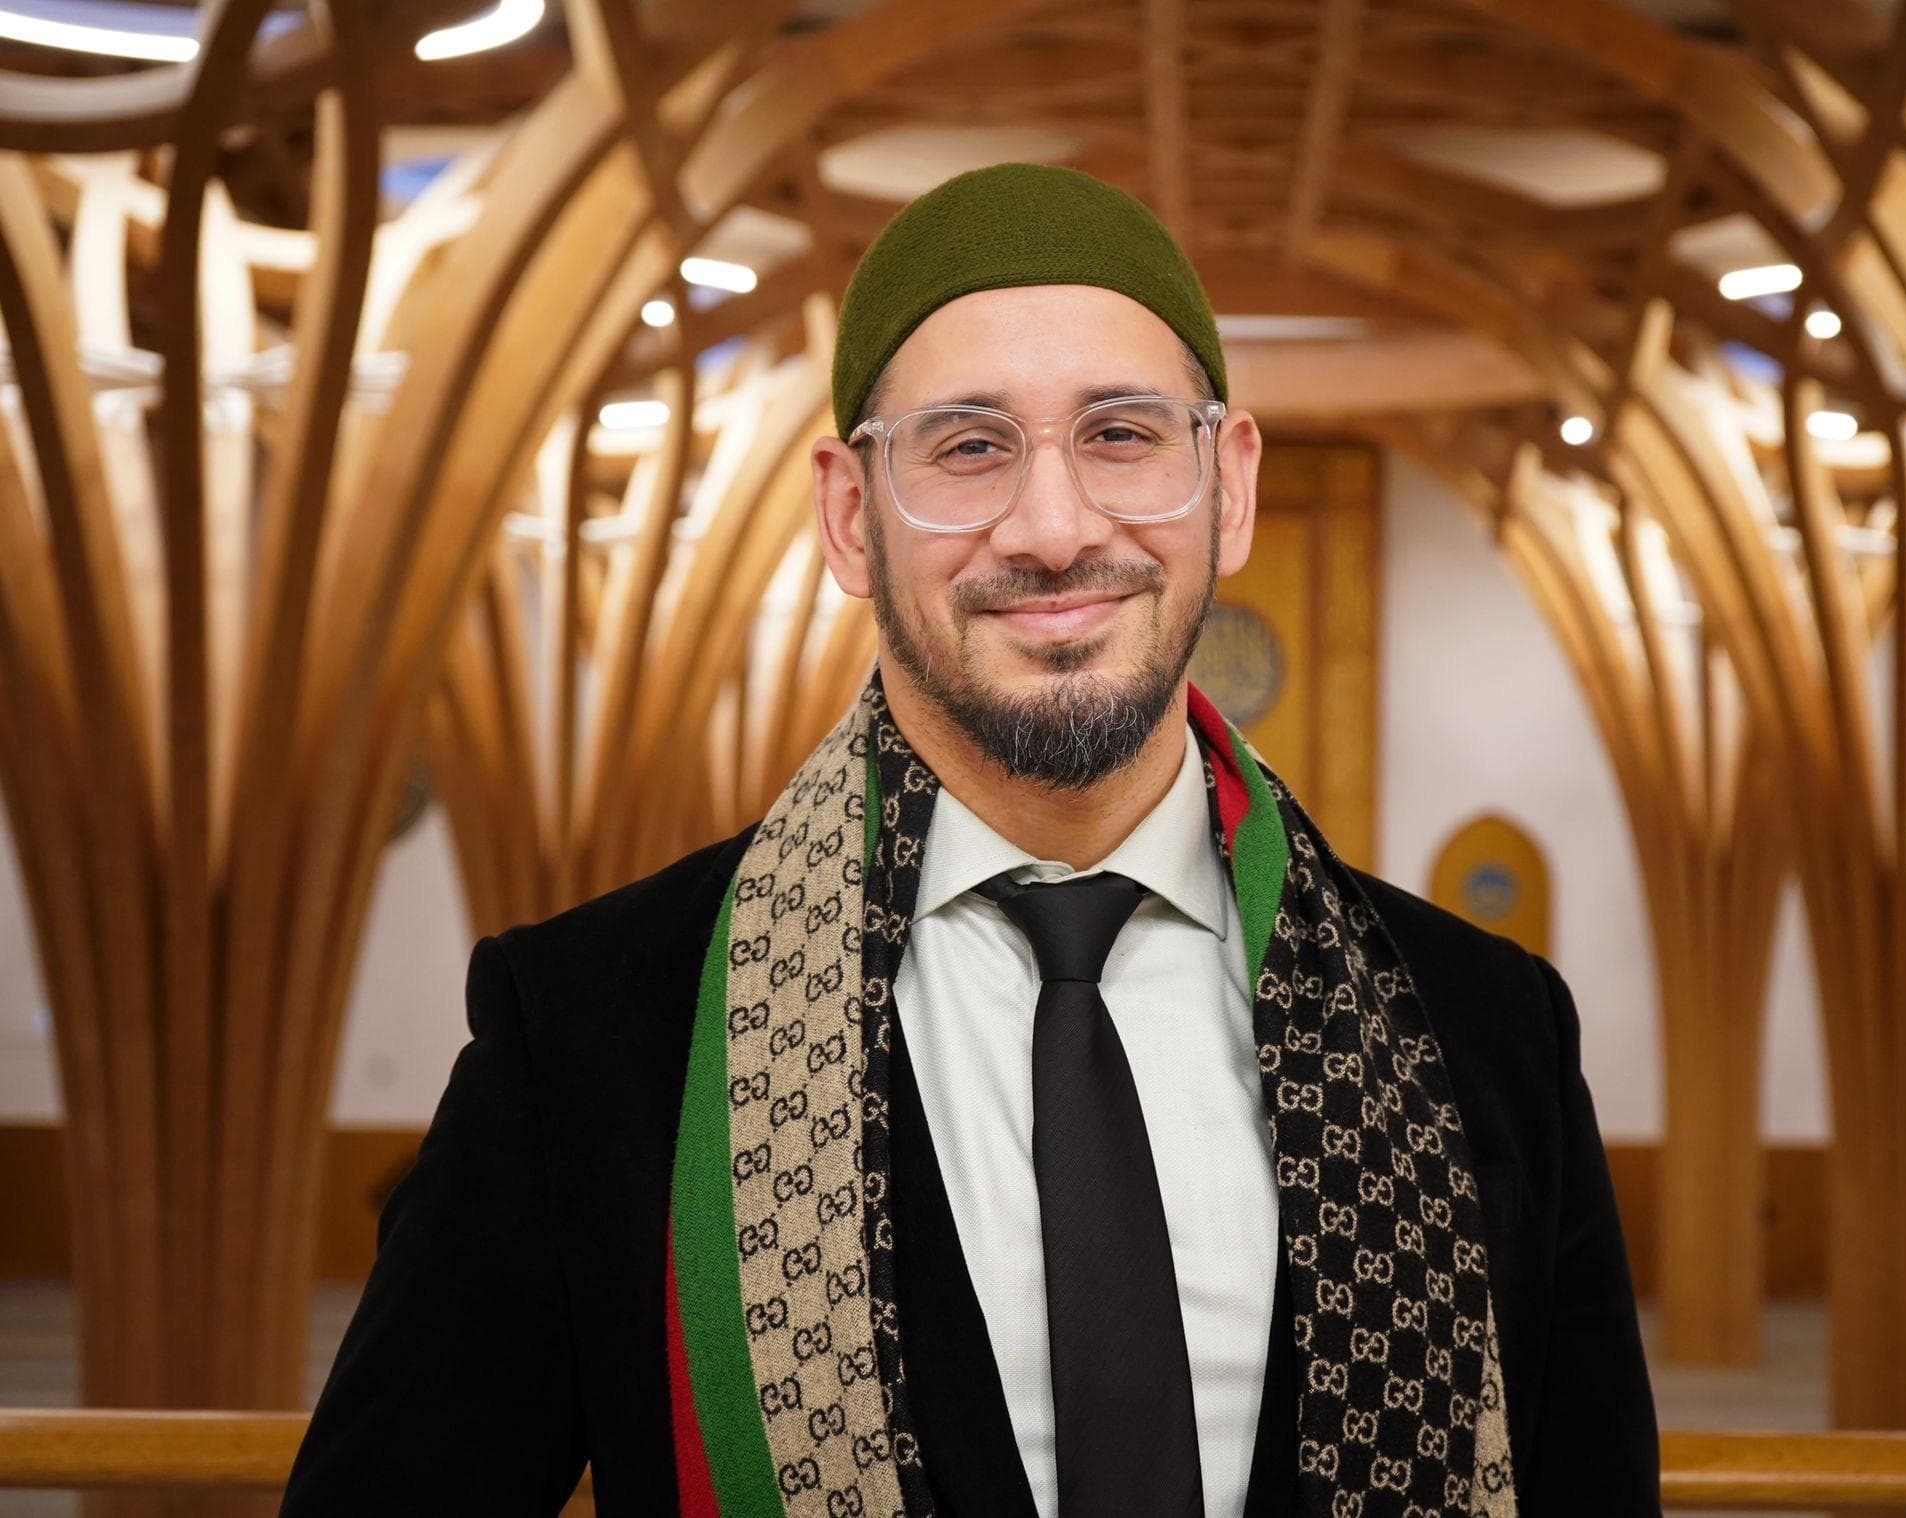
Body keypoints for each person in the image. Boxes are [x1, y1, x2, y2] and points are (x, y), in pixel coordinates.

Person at [283, 163, 1659, 1518]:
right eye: (969, 446)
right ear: (849, 514)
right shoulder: (593, 1039)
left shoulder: (1489, 1038)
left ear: (1227, 485)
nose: (1054, 530)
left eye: (1120, 434)